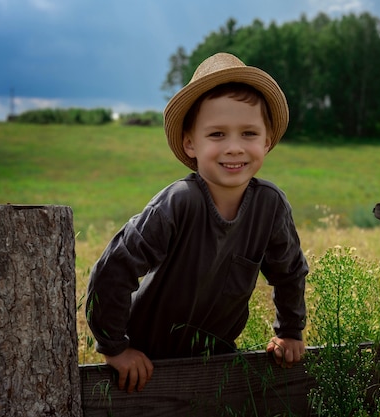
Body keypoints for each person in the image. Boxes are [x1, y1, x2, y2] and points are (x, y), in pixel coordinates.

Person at [86, 52, 308, 393]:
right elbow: (114, 268)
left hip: (215, 358)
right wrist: (115, 347)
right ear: (191, 143)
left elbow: (290, 271)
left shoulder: (270, 206)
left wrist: (290, 331)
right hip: (143, 359)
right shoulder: (179, 203)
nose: (234, 147)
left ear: (266, 140)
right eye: (217, 134)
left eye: (248, 133)